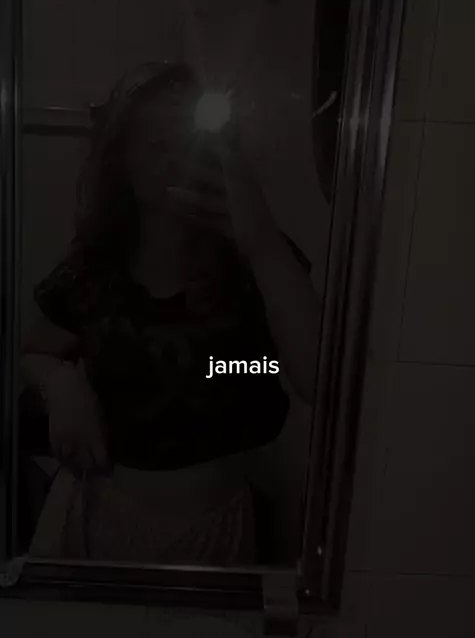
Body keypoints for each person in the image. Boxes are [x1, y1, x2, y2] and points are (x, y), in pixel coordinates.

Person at [20, 61, 320, 565]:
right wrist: (63, 385)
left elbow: (315, 378)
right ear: (123, 162)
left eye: (187, 137)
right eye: (155, 143)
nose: (176, 157)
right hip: (95, 514)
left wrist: (261, 241)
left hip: (216, 530)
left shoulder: (255, 260)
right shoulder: (95, 266)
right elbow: (34, 351)